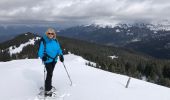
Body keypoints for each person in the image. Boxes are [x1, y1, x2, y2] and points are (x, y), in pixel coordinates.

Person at [38, 28, 64, 96]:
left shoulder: (55, 40)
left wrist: (61, 55)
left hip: (54, 60)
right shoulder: (44, 41)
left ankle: (49, 86)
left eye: (52, 33)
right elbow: (40, 51)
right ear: (47, 33)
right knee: (49, 74)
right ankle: (47, 90)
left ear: (54, 34)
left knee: (50, 73)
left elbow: (59, 49)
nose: (50, 34)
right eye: (49, 33)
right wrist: (42, 56)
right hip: (47, 60)